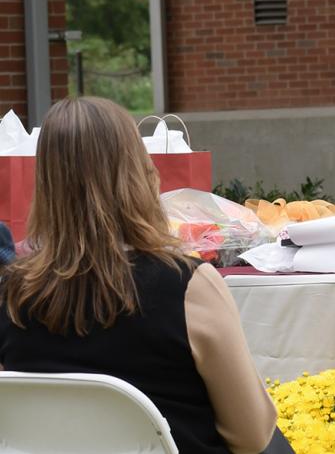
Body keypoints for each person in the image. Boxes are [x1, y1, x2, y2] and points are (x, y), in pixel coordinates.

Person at [0, 96, 279, 454]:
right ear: (138, 171)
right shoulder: (188, 284)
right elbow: (251, 435)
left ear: (46, 182)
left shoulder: (12, 289)